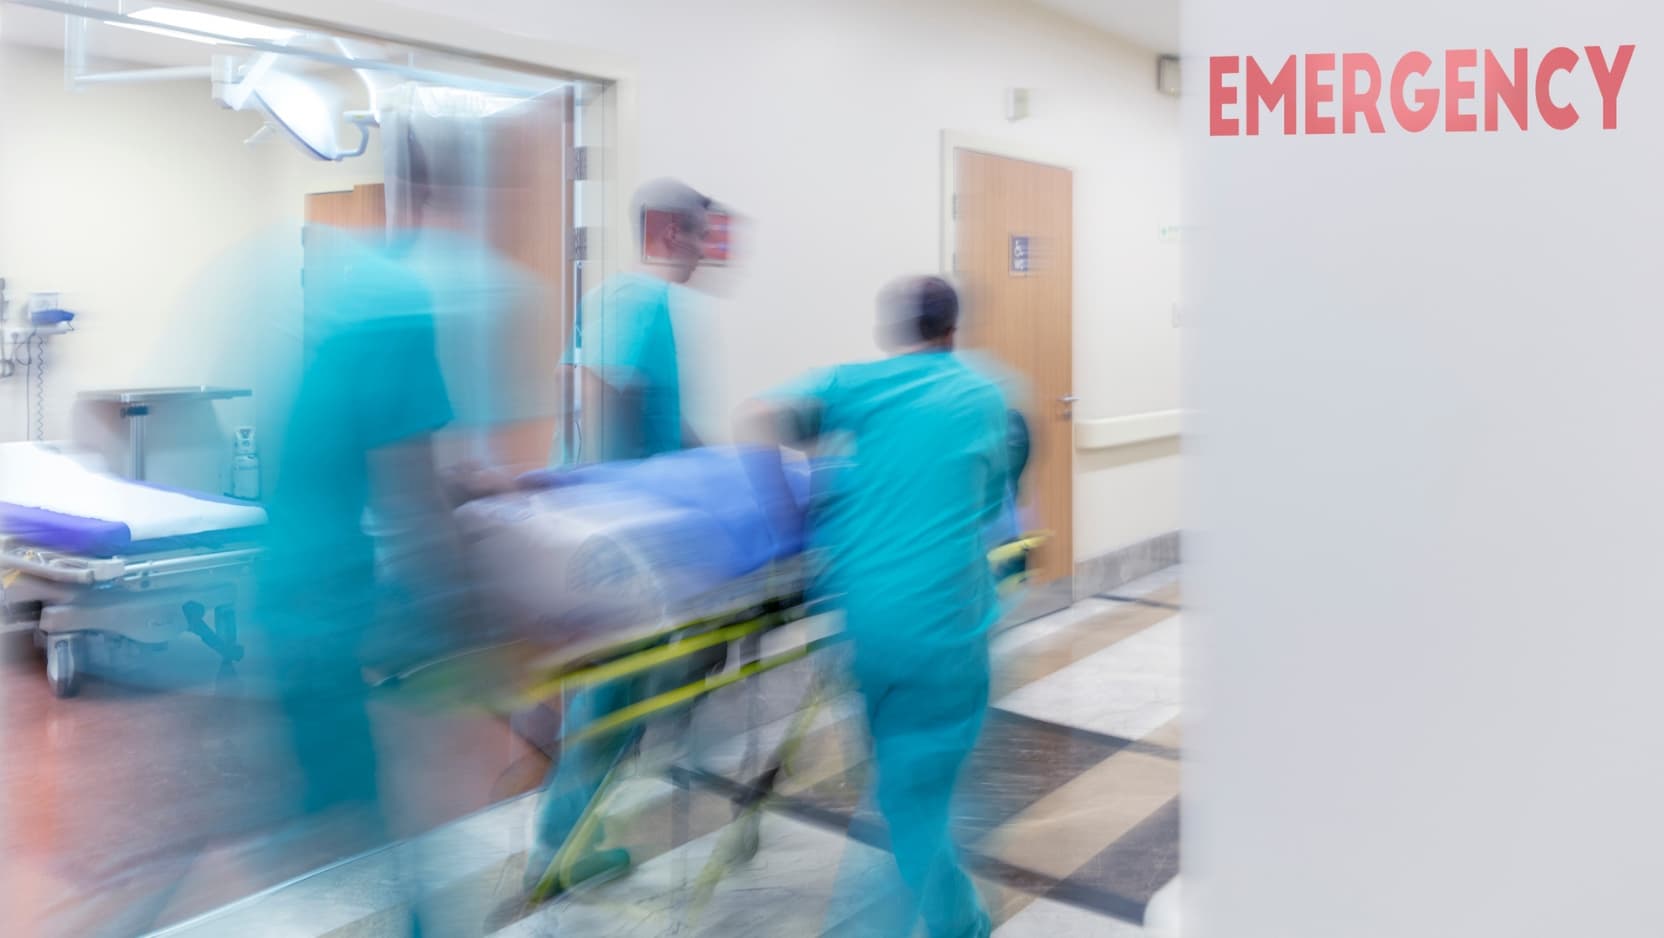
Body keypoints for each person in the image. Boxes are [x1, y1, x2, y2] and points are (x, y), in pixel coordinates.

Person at [744, 276, 1010, 938]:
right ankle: (958, 923)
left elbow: (754, 419)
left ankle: (947, 907)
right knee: (918, 795)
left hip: (866, 625)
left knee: (901, 779)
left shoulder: (854, 386)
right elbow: (988, 504)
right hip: (945, 623)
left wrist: (792, 524)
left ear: (892, 332)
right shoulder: (982, 395)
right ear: (952, 329)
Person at [525, 178, 714, 897]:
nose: (702, 252)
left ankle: (572, 833)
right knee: (613, 699)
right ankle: (557, 849)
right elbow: (598, 391)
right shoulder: (642, 298)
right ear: (668, 231)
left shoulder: (616, 300)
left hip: (598, 523)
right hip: (613, 535)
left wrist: (728, 464)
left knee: (610, 694)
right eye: (697, 235)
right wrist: (613, 508)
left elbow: (653, 415)